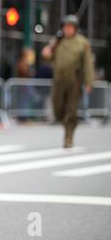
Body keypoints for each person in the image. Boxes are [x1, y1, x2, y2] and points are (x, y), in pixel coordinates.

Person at [43, 15, 94, 148]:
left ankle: (68, 137)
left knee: (71, 110)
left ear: (75, 28)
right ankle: (66, 123)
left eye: (70, 27)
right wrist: (46, 54)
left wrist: (89, 82)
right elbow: (49, 58)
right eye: (65, 27)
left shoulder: (83, 43)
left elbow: (88, 63)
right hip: (59, 79)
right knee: (57, 108)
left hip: (74, 80)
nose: (67, 29)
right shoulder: (57, 41)